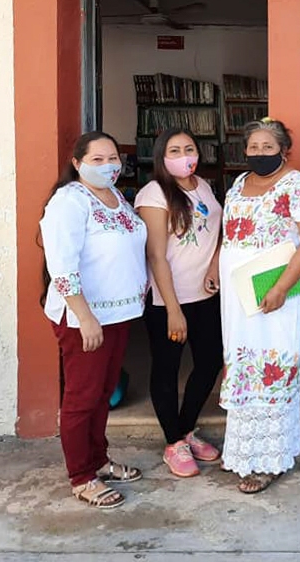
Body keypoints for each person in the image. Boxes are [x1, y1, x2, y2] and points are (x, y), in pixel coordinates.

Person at [39, 131, 148, 510]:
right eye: (97, 159)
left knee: (103, 392)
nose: (108, 166)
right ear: (77, 163)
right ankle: (81, 475)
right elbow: (62, 267)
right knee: (82, 397)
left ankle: (98, 459)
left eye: (113, 158)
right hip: (85, 316)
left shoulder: (116, 197)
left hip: (119, 313)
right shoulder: (69, 201)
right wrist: (84, 317)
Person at [218, 118, 300, 494]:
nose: (259, 153)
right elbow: (229, 235)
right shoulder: (237, 185)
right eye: (253, 147)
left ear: (283, 149)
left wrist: (281, 286)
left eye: (268, 147)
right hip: (238, 296)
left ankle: (268, 460)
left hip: (277, 292)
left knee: (272, 367)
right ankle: (244, 452)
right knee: (243, 364)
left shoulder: (297, 186)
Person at [134, 128, 224, 478]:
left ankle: (185, 429)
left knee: (210, 361)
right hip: (166, 300)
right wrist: (173, 308)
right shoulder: (153, 193)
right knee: (167, 369)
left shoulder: (202, 185)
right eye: (175, 149)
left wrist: (214, 266)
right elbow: (156, 255)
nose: (184, 154)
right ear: (161, 155)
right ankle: (173, 442)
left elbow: (218, 232)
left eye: (189, 148)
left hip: (205, 295)